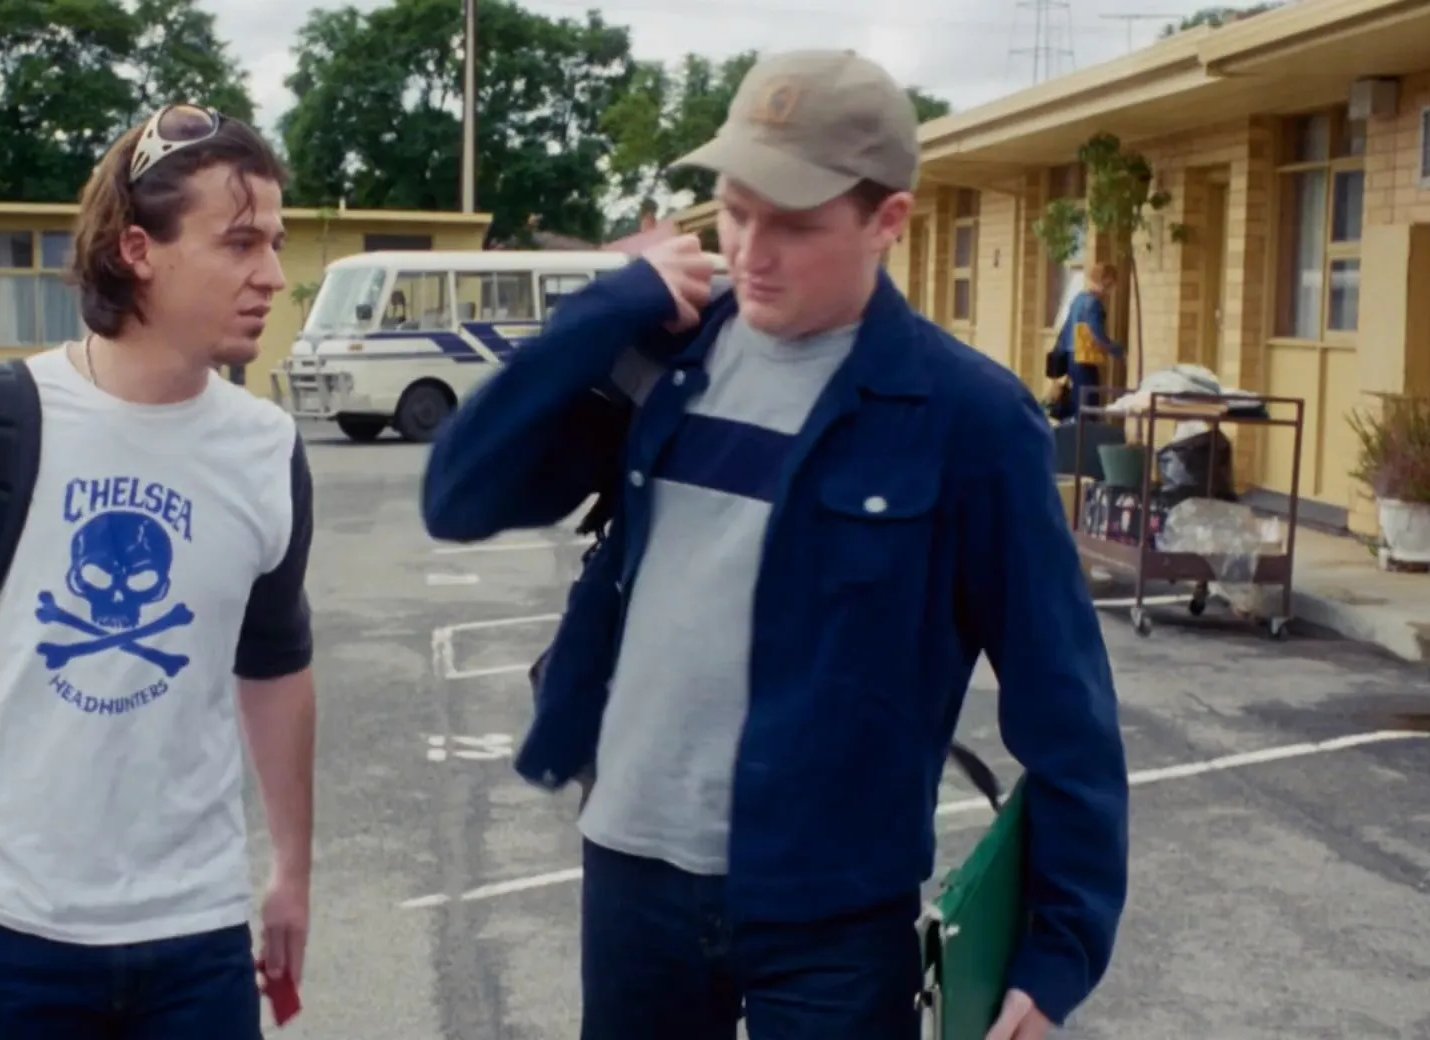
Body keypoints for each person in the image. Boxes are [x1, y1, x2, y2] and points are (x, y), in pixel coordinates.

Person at [420, 49, 1129, 1040]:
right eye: (735, 212)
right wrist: (604, 308)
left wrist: (1056, 951)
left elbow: (1065, 700)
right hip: (634, 871)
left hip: (835, 906)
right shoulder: (666, 360)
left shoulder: (967, 419)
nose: (752, 251)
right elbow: (458, 495)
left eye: (793, 225)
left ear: (887, 220)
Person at [0, 103, 317, 1038]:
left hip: (199, 933)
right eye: (239, 244)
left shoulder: (266, 448)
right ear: (138, 251)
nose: (270, 274)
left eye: (275, 243)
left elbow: (276, 664)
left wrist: (292, 868)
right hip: (9, 929)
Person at [1049, 262, 1124, 419]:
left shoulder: (1078, 299)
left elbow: (1065, 330)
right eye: (1111, 285)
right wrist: (1116, 350)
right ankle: (1083, 432)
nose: (1111, 290)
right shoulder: (1094, 303)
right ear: (1105, 282)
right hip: (1085, 359)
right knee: (1089, 406)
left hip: (1070, 358)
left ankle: (1072, 429)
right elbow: (1096, 333)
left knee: (1077, 403)